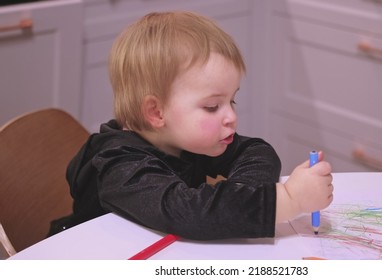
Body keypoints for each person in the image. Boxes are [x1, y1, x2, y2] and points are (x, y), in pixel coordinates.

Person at [50, 11, 333, 240]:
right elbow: (190, 213)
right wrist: (288, 199)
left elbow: (257, 151)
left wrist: (237, 201)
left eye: (231, 101)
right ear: (156, 112)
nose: (231, 116)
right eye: (212, 106)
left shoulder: (184, 137)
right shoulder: (120, 168)